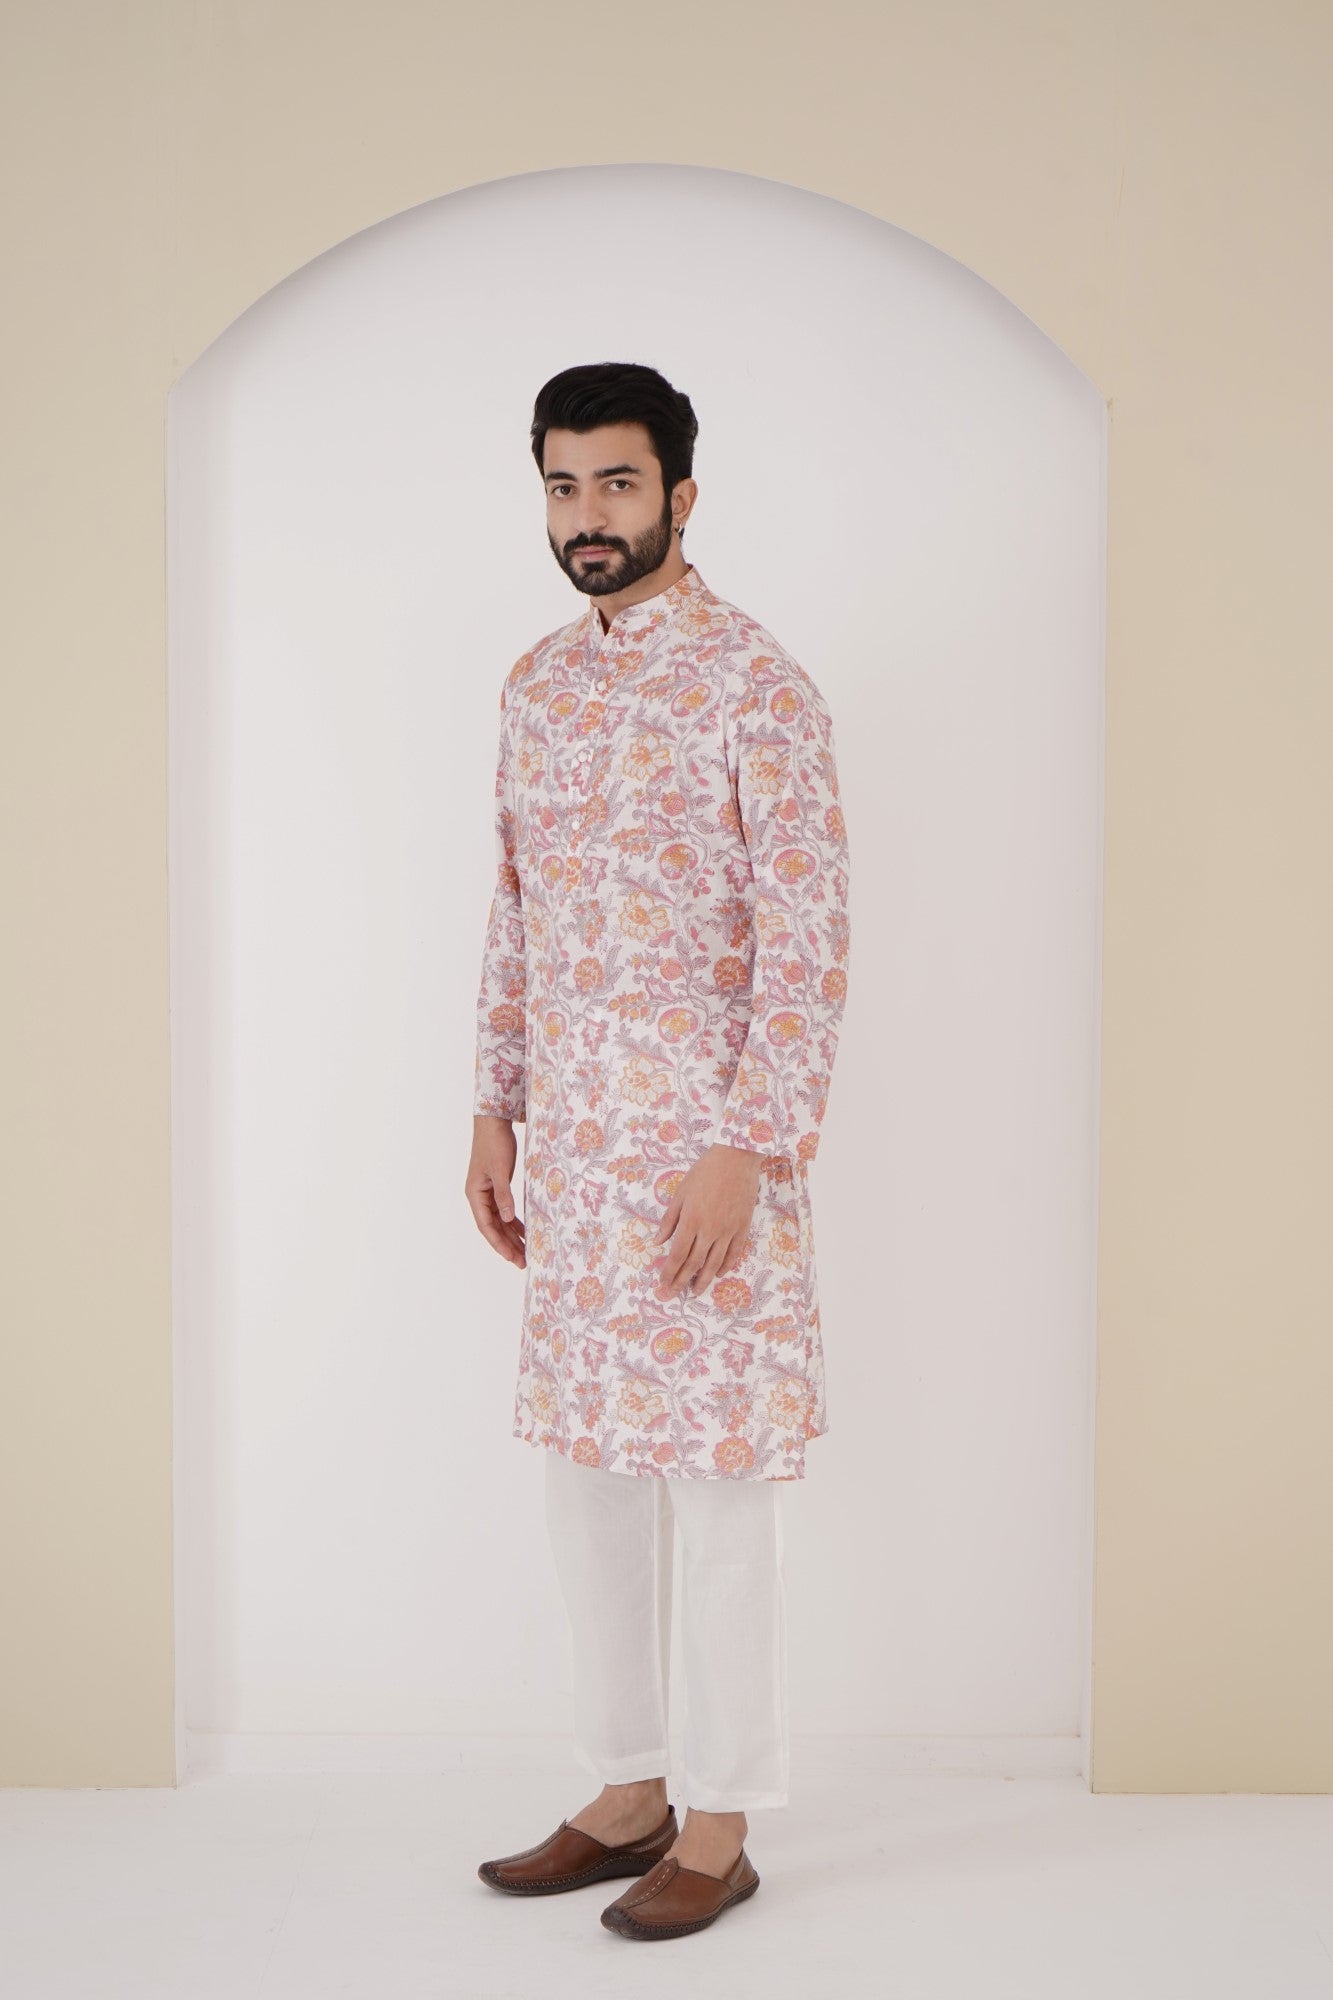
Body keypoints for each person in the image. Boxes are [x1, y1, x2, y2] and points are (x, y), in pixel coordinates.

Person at [466, 361, 851, 1940]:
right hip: (576, 1160)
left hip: (708, 1162)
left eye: (617, 483)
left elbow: (808, 938)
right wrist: (493, 1106)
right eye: (564, 485)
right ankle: (625, 1791)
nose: (588, 516)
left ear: (682, 495)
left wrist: (749, 1148)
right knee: (591, 1487)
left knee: (721, 1494)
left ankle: (721, 1820)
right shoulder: (537, 687)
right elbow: (515, 909)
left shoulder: (759, 685)